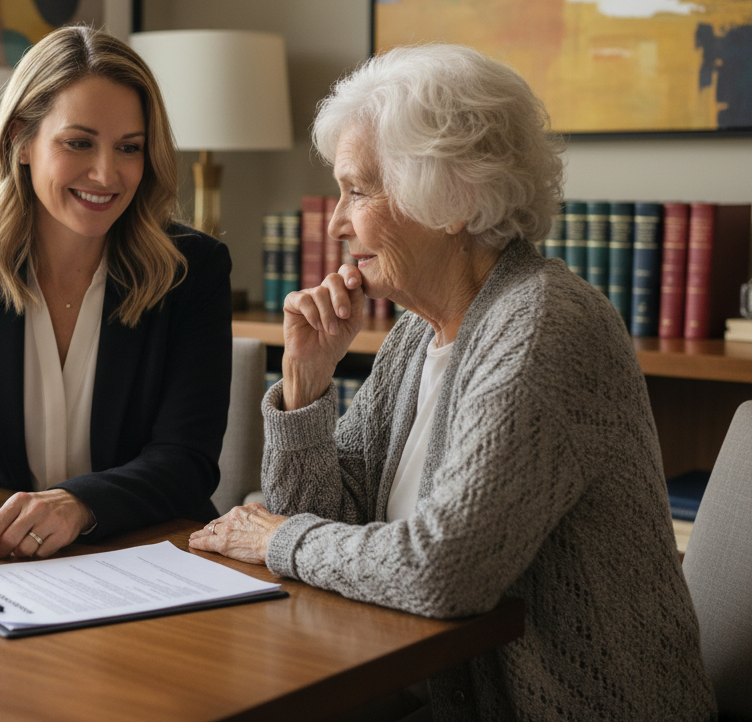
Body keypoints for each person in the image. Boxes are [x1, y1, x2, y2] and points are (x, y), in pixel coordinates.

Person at [190, 45, 715, 721]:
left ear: (453, 198)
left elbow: (443, 572)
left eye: (358, 190)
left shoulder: (545, 326)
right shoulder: (419, 333)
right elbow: (325, 517)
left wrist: (274, 539)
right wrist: (306, 384)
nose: (337, 222)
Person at [0, 26, 232, 562]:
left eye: (129, 148)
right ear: (21, 141)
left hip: (144, 558)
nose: (106, 173)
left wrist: (79, 504)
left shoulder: (192, 270)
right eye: (78, 143)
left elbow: (187, 460)